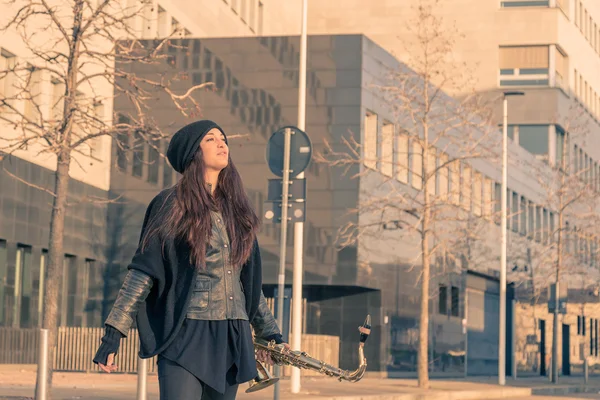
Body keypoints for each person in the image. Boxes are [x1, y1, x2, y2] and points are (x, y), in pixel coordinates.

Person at [93, 120, 286, 400]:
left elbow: (248, 286)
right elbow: (143, 273)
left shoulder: (238, 210)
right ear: (193, 153)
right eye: (211, 139)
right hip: (188, 333)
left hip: (231, 335)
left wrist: (271, 335)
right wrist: (113, 334)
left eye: (223, 138)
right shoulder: (172, 204)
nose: (222, 144)